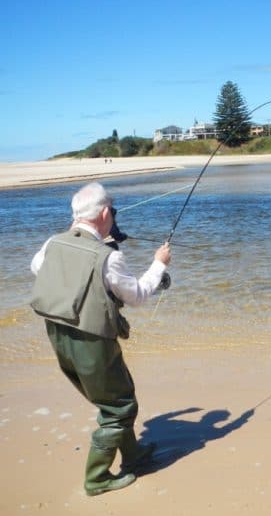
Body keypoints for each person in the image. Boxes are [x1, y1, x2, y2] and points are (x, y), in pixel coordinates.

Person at [30, 181, 171, 495]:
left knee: (113, 398)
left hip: (58, 335)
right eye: (113, 211)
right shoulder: (108, 257)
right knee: (120, 407)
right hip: (91, 341)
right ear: (106, 212)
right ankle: (97, 477)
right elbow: (136, 295)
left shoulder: (54, 243)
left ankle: (133, 455)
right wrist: (159, 264)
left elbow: (37, 266)